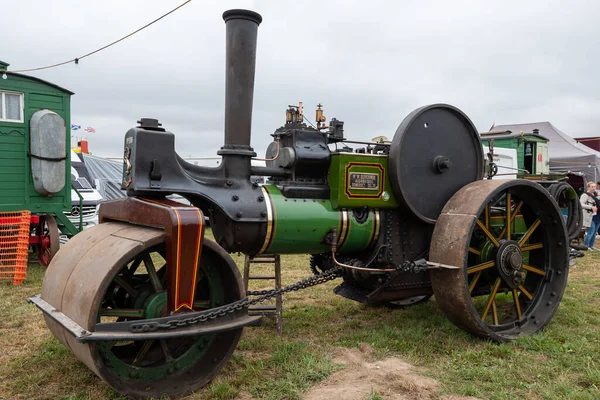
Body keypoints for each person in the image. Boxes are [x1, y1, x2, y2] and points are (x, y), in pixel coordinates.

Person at [581, 181, 598, 249]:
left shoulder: (595, 195)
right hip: (589, 216)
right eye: (592, 187)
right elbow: (580, 204)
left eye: (594, 187)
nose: (594, 188)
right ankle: (586, 246)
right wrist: (590, 207)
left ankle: (591, 246)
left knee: (595, 232)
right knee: (591, 231)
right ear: (588, 187)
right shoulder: (585, 195)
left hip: (596, 216)